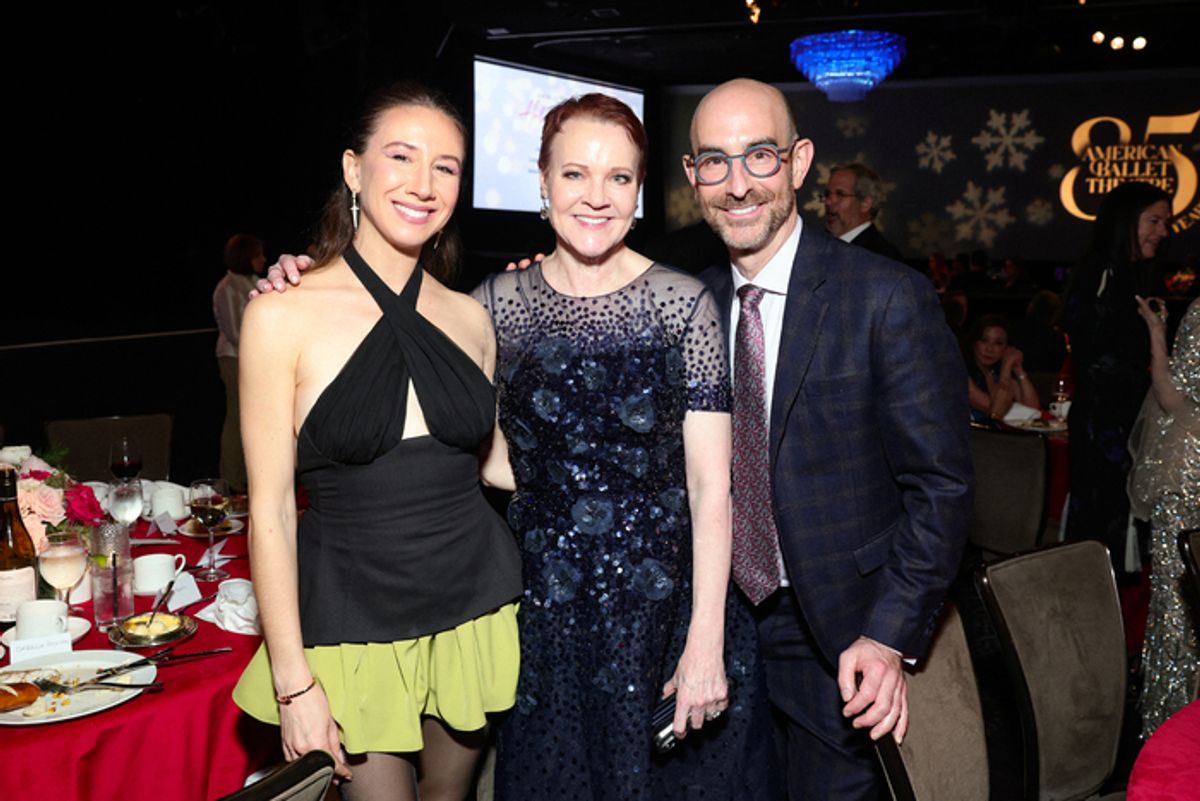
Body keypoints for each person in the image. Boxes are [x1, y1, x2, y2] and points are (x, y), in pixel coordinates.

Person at [257, 94, 775, 801]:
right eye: (574, 175)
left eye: (619, 178)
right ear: (541, 182)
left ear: (641, 191)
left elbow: (712, 486)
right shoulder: (493, 303)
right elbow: (493, 457)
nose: (596, 196)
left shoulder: (669, 303)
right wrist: (294, 273)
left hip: (649, 610)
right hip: (537, 609)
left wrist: (706, 641)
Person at [231, 82, 523, 801]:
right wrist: (292, 678)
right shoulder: (282, 315)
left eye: (447, 166)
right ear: (354, 169)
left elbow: (500, 470)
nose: (424, 184)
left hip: (471, 610)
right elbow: (267, 512)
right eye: (402, 156)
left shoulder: (472, 318)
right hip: (351, 623)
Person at [685, 79, 972, 799]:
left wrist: (887, 635)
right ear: (693, 177)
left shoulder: (885, 297)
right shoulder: (685, 305)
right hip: (716, 632)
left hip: (840, 638)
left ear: (799, 160)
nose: (739, 183)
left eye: (759, 155)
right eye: (715, 162)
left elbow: (941, 487)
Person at [1063, 182, 1170, 578]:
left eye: (1165, 222)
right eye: (1154, 221)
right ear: (1126, 221)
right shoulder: (1102, 274)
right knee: (1102, 536)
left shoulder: (1126, 277)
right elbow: (1098, 357)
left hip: (1116, 424)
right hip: (1105, 428)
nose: (1162, 231)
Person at [1129, 295, 1199, 737]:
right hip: (1188, 486)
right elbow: (1174, 397)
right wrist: (1157, 335)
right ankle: (1174, 732)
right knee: (1180, 615)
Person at [212, 233, 264, 492]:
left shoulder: (255, 281)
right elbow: (234, 332)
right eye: (257, 254)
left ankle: (249, 475)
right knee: (235, 416)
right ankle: (231, 478)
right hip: (234, 359)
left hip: (255, 359)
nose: (263, 259)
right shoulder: (227, 287)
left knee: (254, 416)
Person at [964, 314, 1041, 424]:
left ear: (1006, 348)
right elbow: (995, 408)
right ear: (974, 343)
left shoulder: (996, 373)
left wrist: (1018, 369)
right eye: (984, 340)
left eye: (998, 343)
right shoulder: (961, 373)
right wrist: (1006, 367)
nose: (989, 349)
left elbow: (1033, 412)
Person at [822, 162, 903, 262]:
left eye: (840, 194)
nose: (828, 202)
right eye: (827, 194)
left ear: (865, 203)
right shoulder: (820, 247)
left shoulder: (881, 257)